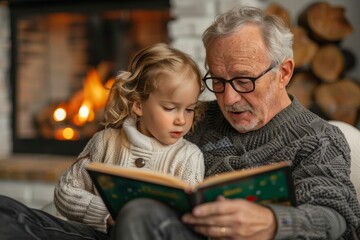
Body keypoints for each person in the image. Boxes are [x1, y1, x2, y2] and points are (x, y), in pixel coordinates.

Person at [110, 6, 360, 240]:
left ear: (283, 73)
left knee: (139, 213)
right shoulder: (194, 118)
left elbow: (334, 215)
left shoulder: (318, 138)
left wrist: (272, 222)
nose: (228, 99)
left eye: (243, 80)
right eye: (218, 81)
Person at [0, 43, 205, 239]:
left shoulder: (188, 156)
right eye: (170, 108)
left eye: (189, 109)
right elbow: (65, 191)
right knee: (6, 209)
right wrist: (106, 214)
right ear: (138, 106)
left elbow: (187, 224)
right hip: (93, 234)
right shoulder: (105, 141)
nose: (181, 120)